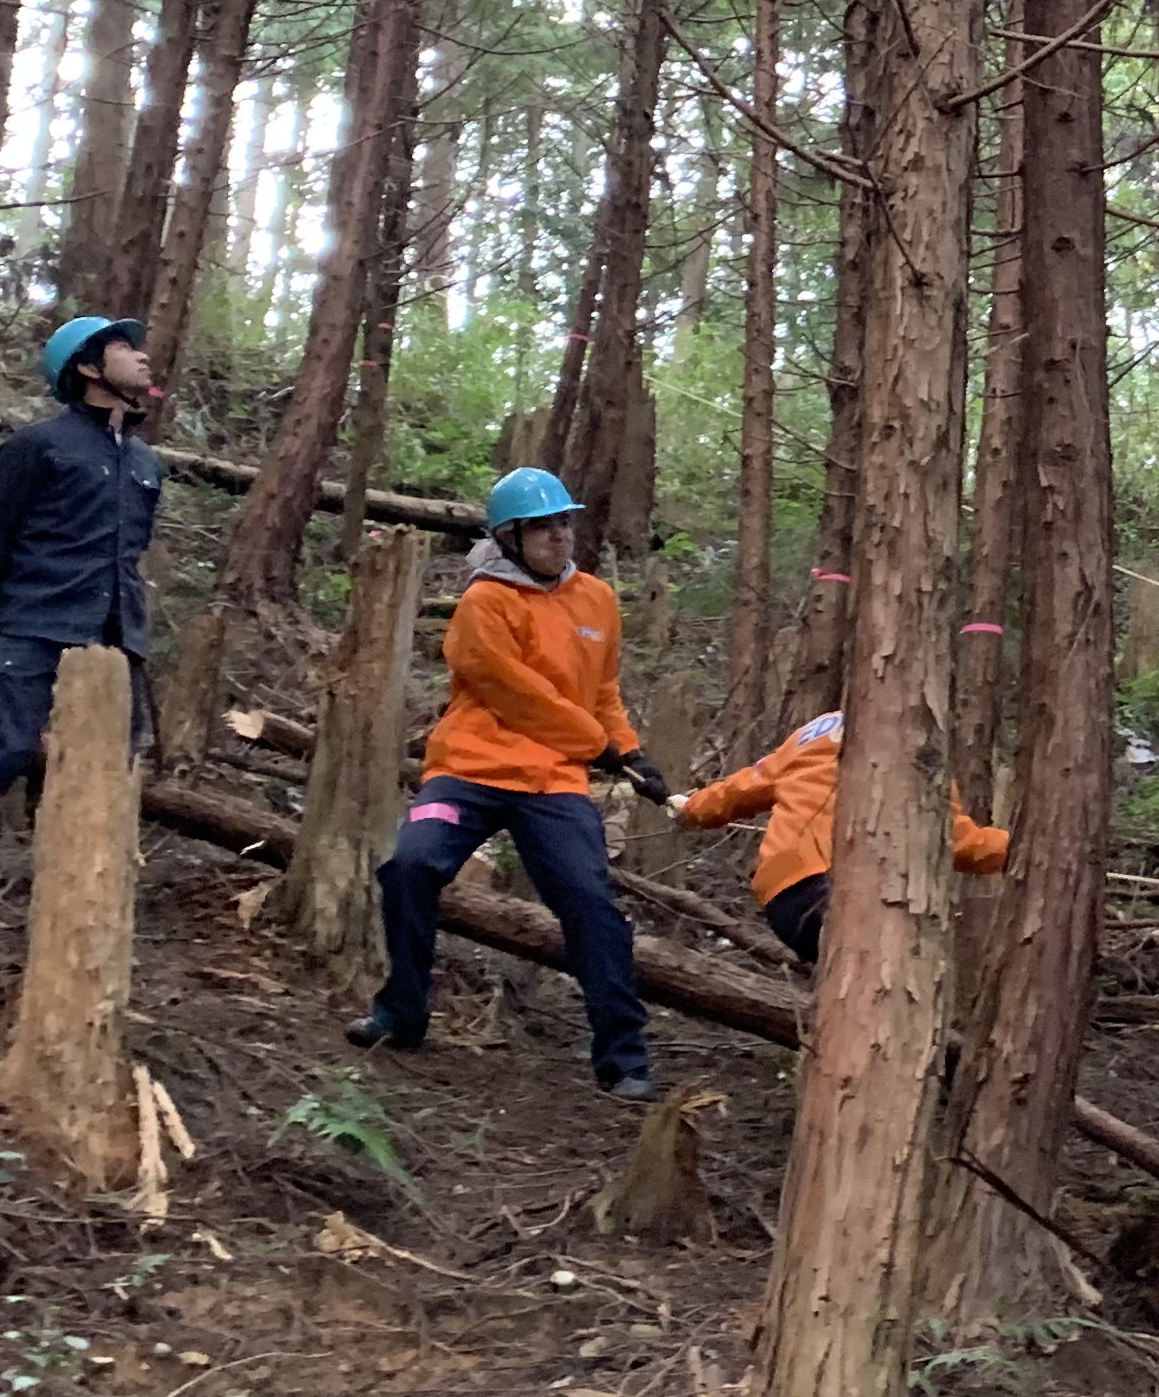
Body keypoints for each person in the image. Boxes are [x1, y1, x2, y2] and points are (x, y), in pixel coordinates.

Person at [351, 468, 671, 1099]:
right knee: (410, 867)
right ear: (508, 536)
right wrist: (599, 747)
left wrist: (632, 753)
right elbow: (517, 694)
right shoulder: (484, 602)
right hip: (469, 770)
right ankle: (402, 1012)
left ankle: (623, 1058)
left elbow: (601, 693)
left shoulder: (599, 601)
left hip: (553, 783)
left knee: (591, 904)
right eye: (541, 527)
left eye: (564, 522)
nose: (559, 537)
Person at [0, 315, 165, 891]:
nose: (143, 358)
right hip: (34, 629)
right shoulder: (39, 446)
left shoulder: (147, 463)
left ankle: (84, 897)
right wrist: (20, 607)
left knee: (108, 770)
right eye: (125, 348)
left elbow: (135, 550)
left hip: (116, 640)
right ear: (86, 365)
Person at [681, 709, 1009, 967]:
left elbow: (747, 784)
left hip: (783, 896)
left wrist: (691, 807)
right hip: (842, 889)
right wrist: (1018, 849)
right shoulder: (921, 751)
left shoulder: (817, 731)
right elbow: (956, 839)